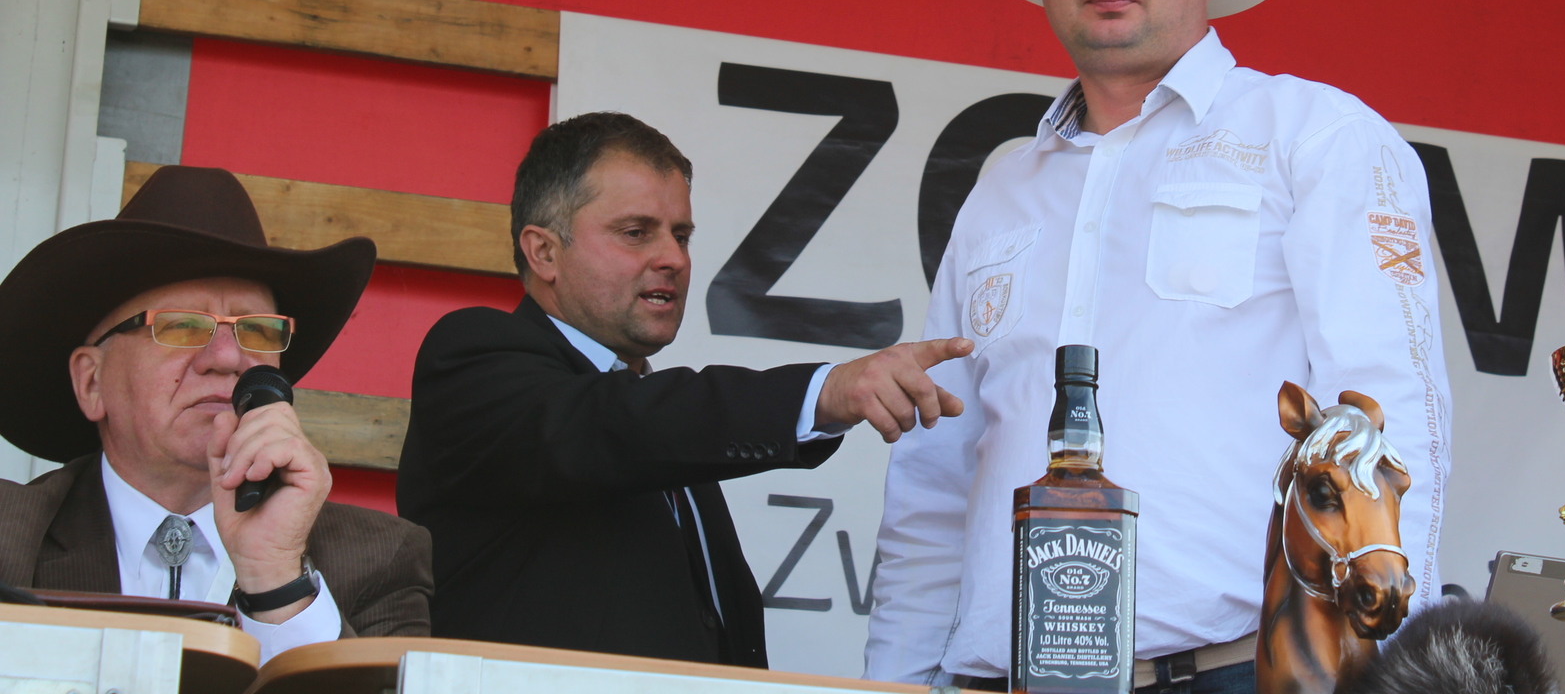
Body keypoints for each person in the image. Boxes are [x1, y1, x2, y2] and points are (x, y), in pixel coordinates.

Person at [865, 0, 1452, 691]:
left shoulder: (1315, 137)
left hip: (1224, 674)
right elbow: (936, 474)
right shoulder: (1001, 192)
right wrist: (894, 682)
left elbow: (1387, 419)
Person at [397, 112, 972, 663]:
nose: (673, 258)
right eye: (635, 233)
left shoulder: (659, 421)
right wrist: (822, 392)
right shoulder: (472, 356)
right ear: (544, 251)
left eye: (681, 235)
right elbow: (615, 426)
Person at [0, 165, 432, 660]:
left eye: (258, 330)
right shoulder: (10, 536)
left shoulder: (379, 559)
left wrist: (277, 579)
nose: (228, 358)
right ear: (92, 382)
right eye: (182, 326)